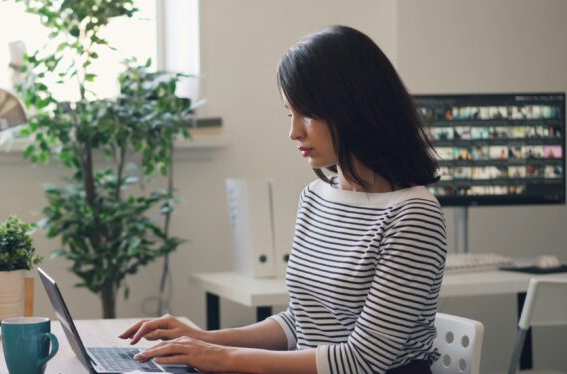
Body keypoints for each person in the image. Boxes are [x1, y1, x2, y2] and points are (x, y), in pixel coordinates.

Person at [120, 25, 447, 374]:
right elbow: (300, 323)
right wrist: (206, 339)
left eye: (306, 113)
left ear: (354, 107)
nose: (294, 132)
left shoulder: (413, 214)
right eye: (289, 113)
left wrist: (223, 358)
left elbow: (363, 360)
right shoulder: (317, 197)